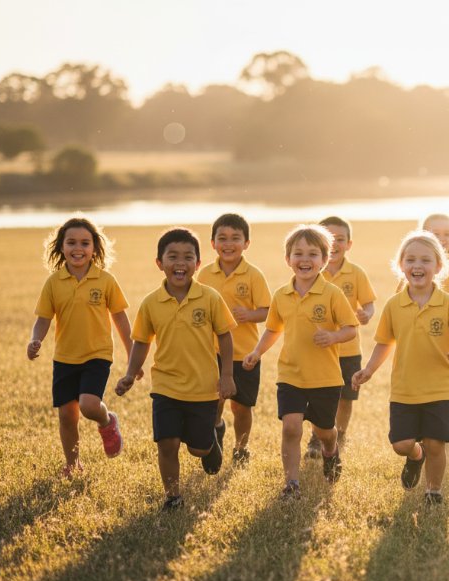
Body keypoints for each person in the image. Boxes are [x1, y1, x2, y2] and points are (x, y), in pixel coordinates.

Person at [115, 228, 238, 512]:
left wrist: (227, 375)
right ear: (159, 262)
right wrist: (131, 373)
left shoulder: (209, 298)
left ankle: (214, 433)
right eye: (172, 256)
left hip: (203, 388)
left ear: (197, 264)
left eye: (188, 257)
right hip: (166, 387)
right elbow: (141, 341)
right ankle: (173, 497)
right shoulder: (150, 303)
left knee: (198, 449)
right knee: (167, 444)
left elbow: (225, 336)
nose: (180, 262)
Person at [352, 231, 449, 505]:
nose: (417, 266)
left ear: (438, 267)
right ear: (401, 265)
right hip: (404, 388)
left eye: (425, 260)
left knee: (436, 444)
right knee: (401, 444)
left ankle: (433, 491)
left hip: (440, 386)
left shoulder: (448, 304)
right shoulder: (394, 305)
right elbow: (384, 343)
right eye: (410, 260)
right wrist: (368, 370)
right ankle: (414, 456)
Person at [242, 225, 358, 500]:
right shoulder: (282, 295)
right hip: (290, 375)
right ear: (288, 259)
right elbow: (272, 329)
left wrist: (333, 336)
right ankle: (292, 484)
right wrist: (257, 353)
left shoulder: (332, 294)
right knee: (291, 426)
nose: (305, 259)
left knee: (325, 431)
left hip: (325, 378)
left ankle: (331, 450)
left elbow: (351, 328)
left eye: (313, 254)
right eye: (298, 253)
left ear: (324, 260)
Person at [28, 217, 134, 479]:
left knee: (88, 405)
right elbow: (43, 319)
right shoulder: (54, 282)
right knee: (67, 415)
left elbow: (120, 317)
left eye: (85, 243)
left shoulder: (105, 280)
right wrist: (35, 340)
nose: (78, 248)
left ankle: (106, 421)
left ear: (95, 249)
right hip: (64, 357)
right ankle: (73, 464)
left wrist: (133, 354)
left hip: (97, 355)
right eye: (72, 242)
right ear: (61, 247)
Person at [196, 213, 271, 465]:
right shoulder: (205, 275)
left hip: (245, 353)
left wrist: (250, 314)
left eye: (235, 238)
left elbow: (267, 311)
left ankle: (241, 447)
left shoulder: (253, 275)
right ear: (213, 243)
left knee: (241, 406)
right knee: (214, 401)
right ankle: (214, 434)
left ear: (246, 243)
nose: (228, 244)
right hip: (212, 352)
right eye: (222, 238)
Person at [304, 216, 377, 458]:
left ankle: (340, 435)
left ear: (349, 244)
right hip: (320, 349)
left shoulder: (356, 273)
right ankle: (317, 438)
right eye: (329, 238)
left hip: (348, 348)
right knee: (320, 397)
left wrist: (366, 314)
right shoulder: (311, 271)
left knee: (346, 397)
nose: (334, 243)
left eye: (340, 239)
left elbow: (368, 304)